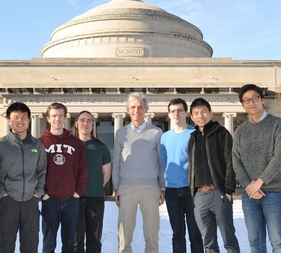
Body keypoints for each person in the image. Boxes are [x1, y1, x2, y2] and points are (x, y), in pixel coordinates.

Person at [232, 84, 281, 253]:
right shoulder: (241, 131)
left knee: (278, 243)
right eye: (246, 100)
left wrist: (259, 183)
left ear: (262, 100)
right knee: (255, 244)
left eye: (255, 98)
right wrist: (249, 186)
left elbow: (280, 157)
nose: (251, 103)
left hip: (275, 193)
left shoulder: (278, 124)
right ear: (243, 104)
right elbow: (236, 160)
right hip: (250, 196)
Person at [112, 92, 165, 253]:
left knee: (152, 234)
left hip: (151, 189)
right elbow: (117, 163)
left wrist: (162, 188)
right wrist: (116, 187)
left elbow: (161, 162)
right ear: (128, 110)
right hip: (127, 188)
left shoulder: (157, 133)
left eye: (140, 107)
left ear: (146, 109)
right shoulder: (121, 133)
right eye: (133, 107)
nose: (137, 110)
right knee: (124, 234)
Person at [0, 102, 47, 253]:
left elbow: (42, 171)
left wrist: (38, 192)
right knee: (6, 245)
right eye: (16, 117)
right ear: (9, 120)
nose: (20, 121)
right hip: (9, 202)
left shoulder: (37, 145)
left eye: (24, 117)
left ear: (29, 120)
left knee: (30, 245)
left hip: (31, 202)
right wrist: (1, 194)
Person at [188, 98, 240, 253]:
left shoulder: (222, 134)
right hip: (200, 196)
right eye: (196, 113)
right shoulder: (192, 138)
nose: (200, 116)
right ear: (191, 117)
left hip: (219, 194)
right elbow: (191, 168)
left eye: (204, 111)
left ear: (210, 113)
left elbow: (231, 162)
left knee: (229, 240)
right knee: (209, 243)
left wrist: (228, 190)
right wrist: (193, 195)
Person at [39, 102, 88, 253]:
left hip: (71, 200)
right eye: (54, 115)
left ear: (65, 118)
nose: (57, 119)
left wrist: (77, 193)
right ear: (48, 118)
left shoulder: (76, 143)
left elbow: (82, 170)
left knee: (69, 245)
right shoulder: (40, 142)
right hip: (50, 200)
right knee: (48, 245)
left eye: (60, 115)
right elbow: (36, 170)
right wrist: (43, 194)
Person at [160, 98, 204, 253]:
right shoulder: (164, 138)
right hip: (172, 191)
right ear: (169, 115)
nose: (176, 113)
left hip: (192, 190)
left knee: (195, 234)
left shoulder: (195, 134)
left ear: (186, 112)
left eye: (179, 110)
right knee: (177, 234)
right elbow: (164, 164)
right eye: (173, 111)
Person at [73, 110, 112, 253]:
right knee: (75, 240)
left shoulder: (101, 147)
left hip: (95, 198)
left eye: (89, 120)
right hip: (74, 198)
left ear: (93, 125)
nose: (86, 123)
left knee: (94, 240)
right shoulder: (70, 145)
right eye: (82, 120)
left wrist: (94, 186)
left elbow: (106, 173)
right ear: (76, 124)